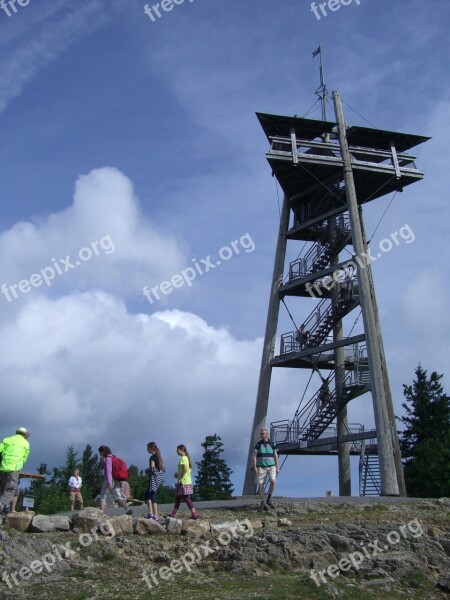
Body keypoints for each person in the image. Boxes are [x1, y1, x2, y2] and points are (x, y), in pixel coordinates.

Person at [0, 427, 30, 515]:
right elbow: (24, 458)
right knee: (10, 488)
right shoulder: (26, 443)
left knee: (3, 486)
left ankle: (5, 507)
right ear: (25, 435)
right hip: (14, 467)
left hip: (3, 466)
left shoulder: (6, 440)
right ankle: (2, 505)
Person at [97, 446, 132, 515]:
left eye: (100, 452)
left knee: (103, 496)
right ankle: (128, 509)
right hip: (117, 479)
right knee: (118, 496)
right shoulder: (113, 457)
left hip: (109, 479)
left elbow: (109, 471)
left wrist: (109, 482)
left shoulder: (107, 459)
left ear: (103, 452)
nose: (100, 454)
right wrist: (102, 463)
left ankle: (101, 513)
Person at [252, 428, 279, 511]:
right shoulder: (258, 444)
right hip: (261, 466)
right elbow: (254, 455)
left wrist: (278, 466)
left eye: (263, 434)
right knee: (260, 484)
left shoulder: (272, 443)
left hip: (271, 466)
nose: (261, 435)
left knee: (273, 481)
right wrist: (254, 466)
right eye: (261, 434)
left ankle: (269, 498)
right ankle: (262, 502)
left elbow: (275, 455)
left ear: (267, 434)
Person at [168, 445, 198, 520]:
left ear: (181, 450)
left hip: (183, 482)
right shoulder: (186, 458)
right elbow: (187, 470)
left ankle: (194, 513)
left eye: (177, 450)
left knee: (186, 498)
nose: (176, 452)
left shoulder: (183, 458)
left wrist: (180, 478)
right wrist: (178, 475)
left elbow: (185, 469)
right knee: (178, 497)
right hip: (185, 480)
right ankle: (174, 513)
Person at [145, 442, 165, 521]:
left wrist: (147, 471)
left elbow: (152, 469)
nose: (147, 450)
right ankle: (154, 514)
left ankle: (153, 514)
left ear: (150, 448)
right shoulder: (158, 456)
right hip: (157, 480)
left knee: (150, 495)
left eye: (147, 448)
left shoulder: (152, 457)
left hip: (152, 479)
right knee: (149, 495)